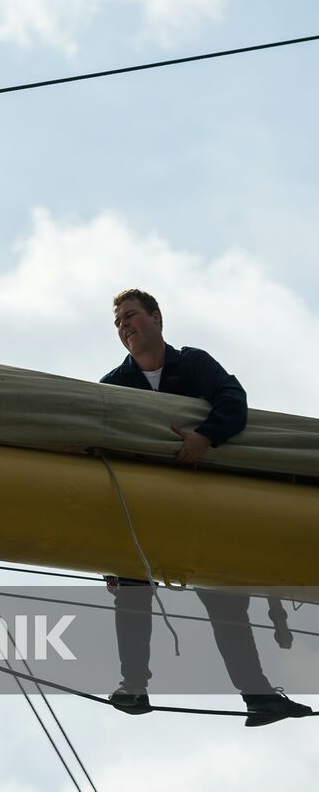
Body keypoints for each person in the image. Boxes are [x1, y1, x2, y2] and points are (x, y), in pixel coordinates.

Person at [102, 289, 310, 726]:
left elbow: (233, 401)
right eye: (118, 320)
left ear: (156, 318)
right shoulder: (113, 386)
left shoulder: (193, 365)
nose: (124, 325)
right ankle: (133, 686)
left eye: (131, 315)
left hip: (201, 505)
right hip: (143, 507)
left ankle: (258, 697)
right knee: (131, 591)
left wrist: (204, 437)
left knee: (227, 603)